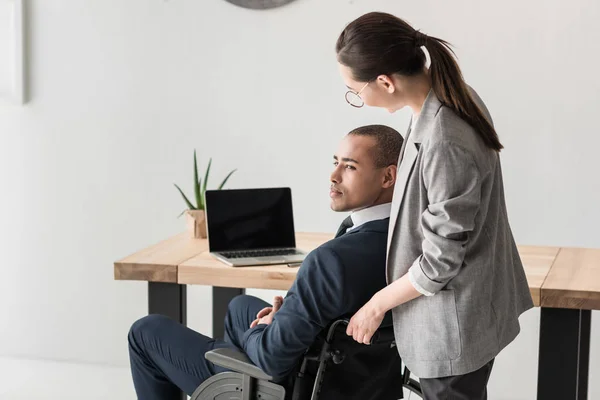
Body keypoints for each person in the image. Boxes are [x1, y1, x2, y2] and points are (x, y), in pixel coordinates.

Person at [335, 12, 534, 400]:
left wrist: (377, 305)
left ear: (385, 82)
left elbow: (440, 261)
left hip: (452, 326)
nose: (357, 99)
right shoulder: (444, 98)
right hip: (463, 313)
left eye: (355, 91)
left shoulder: (444, 136)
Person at [128, 125, 404, 399]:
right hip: (361, 378)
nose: (333, 176)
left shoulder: (330, 259)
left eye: (350, 167)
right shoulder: (407, 238)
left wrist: (263, 329)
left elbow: (272, 359)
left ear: (388, 177)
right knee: (239, 306)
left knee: (145, 332)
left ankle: (242, 386)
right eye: (335, 163)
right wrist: (285, 317)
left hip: (298, 385)